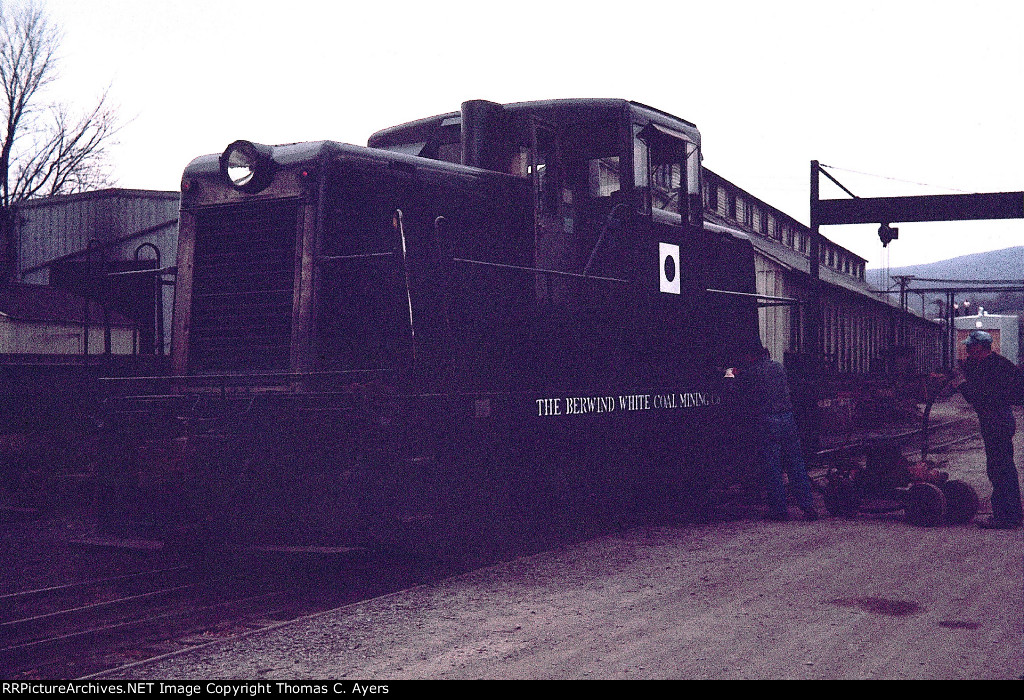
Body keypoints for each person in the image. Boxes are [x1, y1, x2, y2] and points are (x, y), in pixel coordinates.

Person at [727, 345, 818, 521]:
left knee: (772, 467)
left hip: (768, 421)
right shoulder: (778, 367)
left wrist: (730, 373)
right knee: (796, 464)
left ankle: (779, 510)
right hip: (788, 418)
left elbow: (734, 388)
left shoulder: (752, 372)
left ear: (751, 357)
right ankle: (808, 506)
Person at [950, 330, 1024, 530]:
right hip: (999, 419)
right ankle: (1010, 514)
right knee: (1001, 468)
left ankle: (1006, 518)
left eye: (969, 346)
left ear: (979, 348)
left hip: (996, 421)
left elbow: (979, 397)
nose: (966, 349)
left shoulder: (992, 368)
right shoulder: (994, 363)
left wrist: (962, 385)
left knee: (1000, 469)